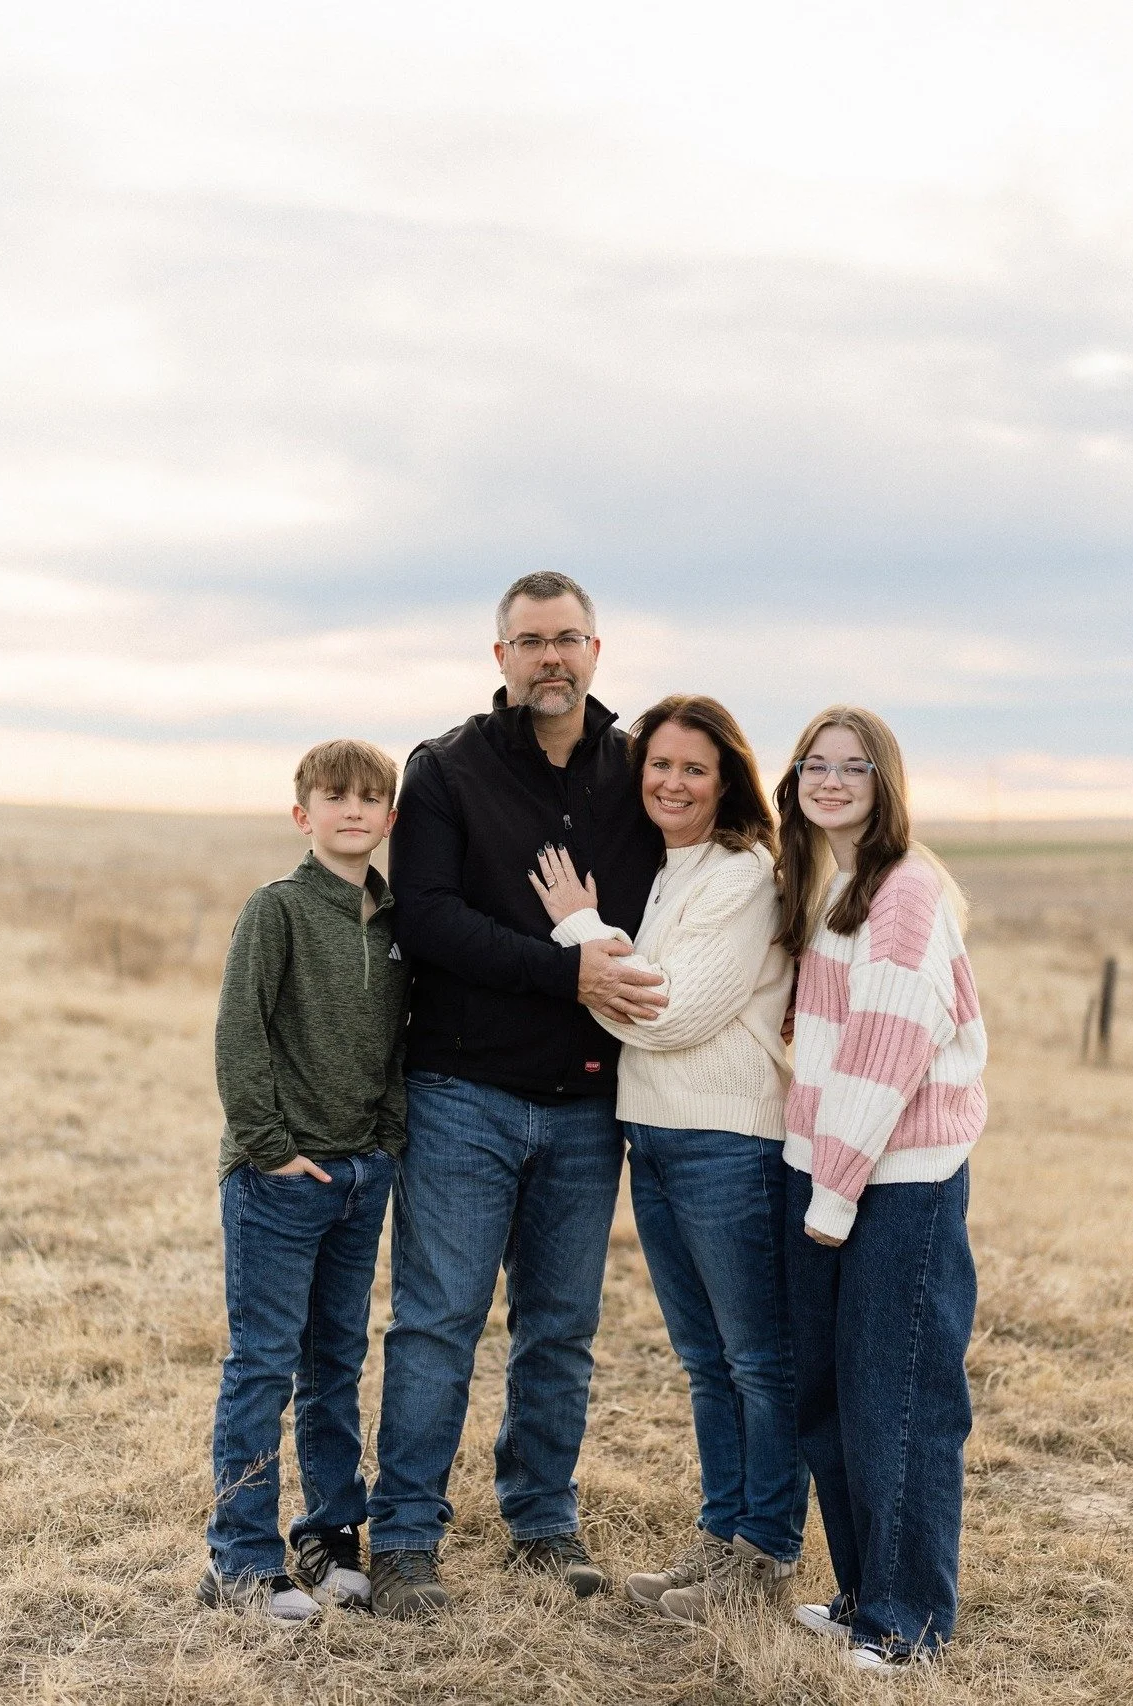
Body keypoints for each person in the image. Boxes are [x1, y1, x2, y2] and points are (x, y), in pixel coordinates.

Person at [367, 572, 665, 1616]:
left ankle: (541, 1519)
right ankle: (403, 1533)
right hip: (463, 1091)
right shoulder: (446, 768)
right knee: (438, 1319)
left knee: (560, 1324)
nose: (551, 657)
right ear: (499, 656)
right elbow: (430, 920)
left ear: (597, 649)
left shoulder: (640, 771)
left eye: (567, 639)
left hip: (589, 1102)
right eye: (530, 640)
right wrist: (569, 968)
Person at [528, 695, 806, 1625]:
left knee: (756, 1360)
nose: (671, 783)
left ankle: (763, 1553)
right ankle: (721, 1534)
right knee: (702, 1358)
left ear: (726, 777)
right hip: (652, 1134)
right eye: (658, 765)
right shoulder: (665, 871)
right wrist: (612, 962)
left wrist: (578, 930)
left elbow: (671, 1012)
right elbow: (643, 999)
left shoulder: (741, 873)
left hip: (728, 1142)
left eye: (693, 768)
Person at [773, 706, 986, 1672]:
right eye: (815, 765)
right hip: (830, 1173)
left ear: (883, 782)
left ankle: (909, 1620)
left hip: (894, 1185)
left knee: (896, 1399)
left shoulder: (903, 891)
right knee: (828, 1393)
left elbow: (883, 1056)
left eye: (851, 767)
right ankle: (863, 1589)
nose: (830, 780)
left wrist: (832, 1191)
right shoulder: (839, 882)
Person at [199, 739, 408, 1623]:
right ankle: (240, 1562)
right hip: (282, 1179)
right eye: (335, 796)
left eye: (370, 798)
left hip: (363, 1175)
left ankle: (326, 1536)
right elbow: (239, 1031)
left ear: (390, 817)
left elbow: (404, 1040)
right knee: (262, 1366)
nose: (353, 810)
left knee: (336, 1361)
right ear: (304, 814)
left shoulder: (398, 921)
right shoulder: (277, 909)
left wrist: (387, 1140)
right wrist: (269, 1147)